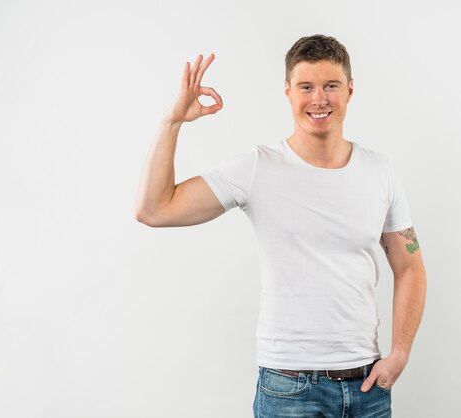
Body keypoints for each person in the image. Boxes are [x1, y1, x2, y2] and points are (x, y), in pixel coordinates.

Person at [134, 34, 427, 417]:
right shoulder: (258, 167)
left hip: (367, 387)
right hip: (289, 390)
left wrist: (400, 352)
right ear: (288, 92)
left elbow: (409, 266)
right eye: (306, 87)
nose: (319, 99)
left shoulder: (380, 172)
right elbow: (155, 209)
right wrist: (172, 121)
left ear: (350, 91)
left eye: (331, 86)